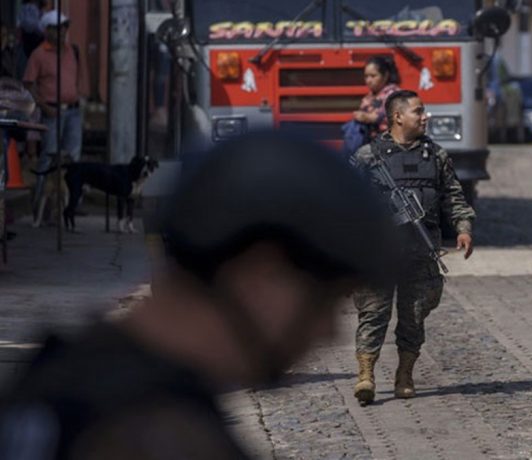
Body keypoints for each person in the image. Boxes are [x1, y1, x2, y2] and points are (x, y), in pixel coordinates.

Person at [0, 129, 396, 458]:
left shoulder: (65, 379)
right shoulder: (160, 436)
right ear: (260, 274)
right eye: (323, 302)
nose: (327, 330)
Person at [350, 89, 475, 405]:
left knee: (414, 316)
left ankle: (405, 375)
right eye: (418, 111)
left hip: (420, 249)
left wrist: (463, 228)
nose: (425, 116)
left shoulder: (435, 156)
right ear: (397, 117)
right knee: (373, 313)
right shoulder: (367, 157)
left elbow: (453, 196)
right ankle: (366, 375)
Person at [22, 10, 82, 212]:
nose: (62, 31)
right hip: (52, 111)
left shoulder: (71, 50)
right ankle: (40, 205)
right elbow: (28, 84)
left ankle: (69, 205)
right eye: (57, 28)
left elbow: (76, 78)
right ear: (47, 30)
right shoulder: (39, 54)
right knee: (49, 158)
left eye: (64, 27)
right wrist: (43, 106)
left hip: (73, 110)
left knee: (72, 158)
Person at [353, 56, 401, 140]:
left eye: (373, 76)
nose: (368, 80)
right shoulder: (369, 97)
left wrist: (368, 117)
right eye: (366, 76)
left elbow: (389, 117)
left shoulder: (394, 95)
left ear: (385, 75)